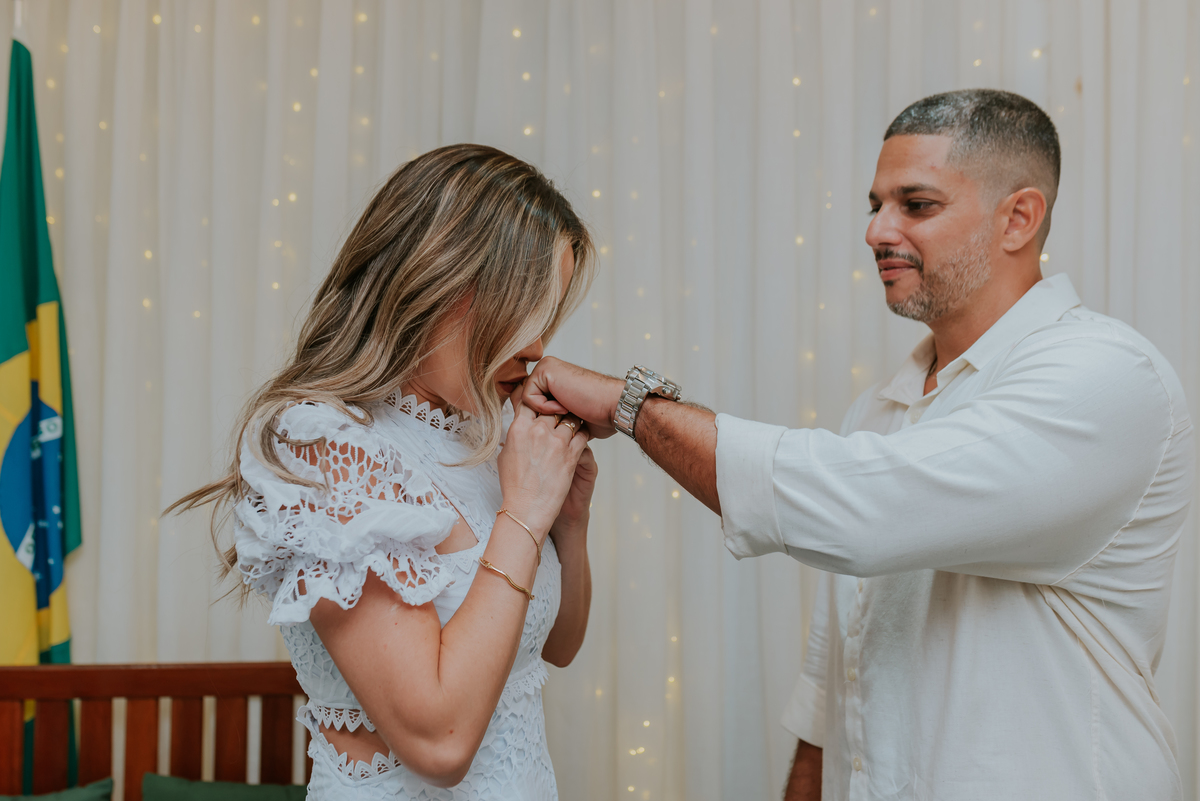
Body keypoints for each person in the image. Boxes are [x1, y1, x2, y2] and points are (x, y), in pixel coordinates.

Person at [520, 90, 1194, 799]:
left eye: (916, 204)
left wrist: (630, 404)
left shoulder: (1105, 375)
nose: (877, 230)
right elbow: (835, 680)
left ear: (1018, 218)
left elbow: (866, 510)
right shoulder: (875, 412)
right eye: (875, 204)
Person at [168, 144, 597, 799]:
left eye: (551, 313)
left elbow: (554, 647)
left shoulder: (479, 441)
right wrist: (524, 513)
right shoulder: (320, 440)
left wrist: (569, 523)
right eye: (526, 307)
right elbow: (439, 742)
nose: (539, 347)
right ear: (439, 281)